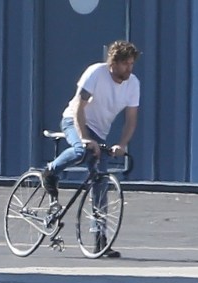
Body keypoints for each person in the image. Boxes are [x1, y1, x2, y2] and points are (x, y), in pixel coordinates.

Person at [42, 40, 141, 258]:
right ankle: (51, 170)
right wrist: (85, 138)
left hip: (100, 132)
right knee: (81, 151)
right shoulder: (96, 73)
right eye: (125, 64)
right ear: (113, 63)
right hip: (74, 120)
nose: (129, 68)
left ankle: (99, 239)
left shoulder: (133, 84)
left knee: (101, 182)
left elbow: (131, 119)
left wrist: (122, 145)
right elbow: (78, 106)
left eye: (132, 64)